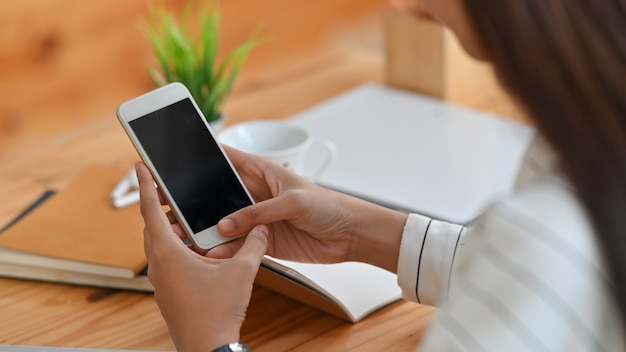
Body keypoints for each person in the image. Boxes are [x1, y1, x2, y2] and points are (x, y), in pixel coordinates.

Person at [135, 0, 626, 350]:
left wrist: (209, 341)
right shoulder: (577, 159)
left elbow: (544, 265)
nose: (400, 3)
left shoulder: (543, 232)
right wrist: (361, 234)